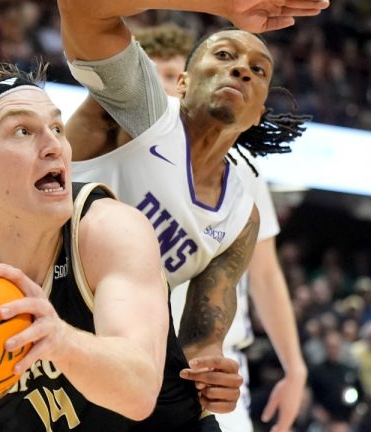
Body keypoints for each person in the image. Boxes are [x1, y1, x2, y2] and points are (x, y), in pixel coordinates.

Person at [0, 63, 231, 431]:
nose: (54, 145)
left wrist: (59, 339)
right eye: (23, 131)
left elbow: (139, 392)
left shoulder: (107, 230)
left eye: (57, 127)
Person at [60, 0, 323, 414]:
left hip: (108, 374)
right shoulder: (143, 111)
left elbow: (199, 348)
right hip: (26, 317)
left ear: (258, 115)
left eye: (258, 70)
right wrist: (222, 5)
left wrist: (212, 382)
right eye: (223, 56)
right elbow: (82, 7)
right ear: (180, 82)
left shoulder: (240, 216)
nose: (241, 70)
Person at [131, 23, 308, 432]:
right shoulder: (120, 141)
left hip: (205, 365)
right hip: (119, 348)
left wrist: (294, 367)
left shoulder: (241, 177)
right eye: (152, 78)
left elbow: (264, 273)